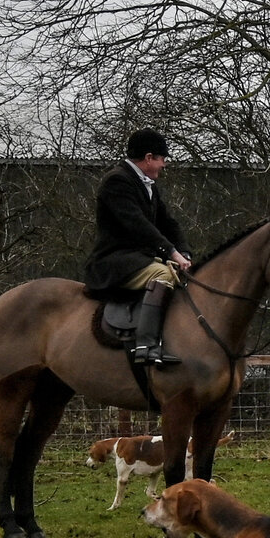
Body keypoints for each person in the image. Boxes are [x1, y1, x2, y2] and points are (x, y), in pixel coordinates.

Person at [81, 127, 192, 368]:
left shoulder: (147, 184)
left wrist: (184, 252)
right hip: (114, 262)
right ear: (149, 157)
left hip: (138, 259)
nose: (164, 165)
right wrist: (171, 253)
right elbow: (137, 226)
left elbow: (168, 223)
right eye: (163, 159)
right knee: (164, 274)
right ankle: (147, 346)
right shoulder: (117, 181)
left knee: (178, 273)